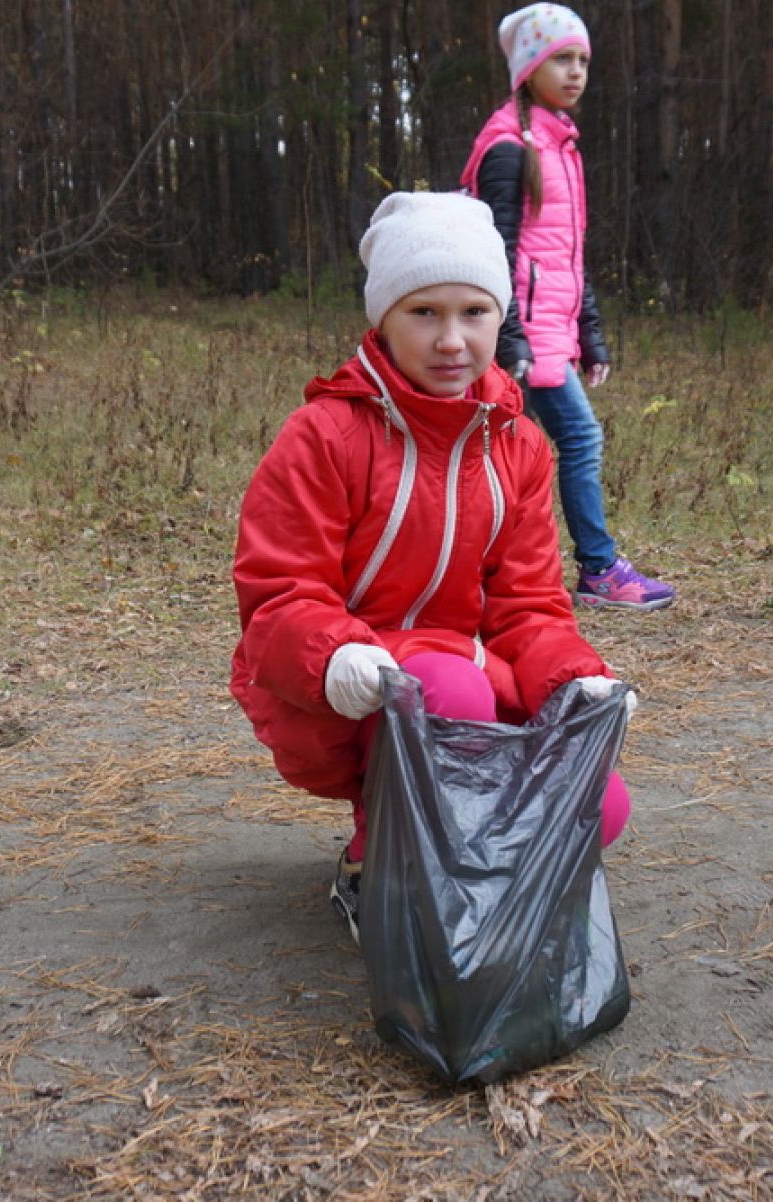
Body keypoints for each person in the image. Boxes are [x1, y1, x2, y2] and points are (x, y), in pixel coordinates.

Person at [230, 191, 635, 944]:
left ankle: (477, 883)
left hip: (472, 675)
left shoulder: (517, 446)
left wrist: (574, 677)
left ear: (500, 317)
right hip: (347, 681)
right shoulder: (324, 436)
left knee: (601, 805)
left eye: (474, 313)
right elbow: (278, 593)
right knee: (449, 688)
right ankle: (376, 862)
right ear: (382, 319)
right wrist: (336, 658)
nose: (452, 340)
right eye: (424, 313)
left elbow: (530, 604)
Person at [461, 3, 674, 612]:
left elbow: (566, 257)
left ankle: (490, 576)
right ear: (528, 68)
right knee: (571, 439)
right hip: (519, 337)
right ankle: (598, 570)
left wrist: (591, 333)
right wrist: (508, 340)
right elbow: (494, 250)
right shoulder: (511, 147)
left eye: (582, 59)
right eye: (561, 58)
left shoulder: (559, 144)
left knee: (501, 454)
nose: (576, 71)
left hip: (548, 335)